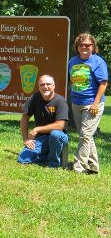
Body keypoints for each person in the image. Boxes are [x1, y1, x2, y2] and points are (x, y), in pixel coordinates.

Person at [68, 33, 108, 174]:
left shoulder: (98, 62)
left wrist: (96, 103)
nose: (84, 47)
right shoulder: (73, 61)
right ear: (77, 47)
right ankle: (93, 167)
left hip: (92, 104)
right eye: (81, 45)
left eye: (88, 45)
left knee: (84, 135)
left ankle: (79, 167)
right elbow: (71, 80)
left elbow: (103, 83)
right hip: (76, 102)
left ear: (93, 46)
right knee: (86, 135)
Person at [17, 75, 69, 168]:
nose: (45, 87)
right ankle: (48, 155)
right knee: (23, 159)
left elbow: (60, 126)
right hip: (42, 137)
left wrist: (37, 129)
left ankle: (53, 164)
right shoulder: (34, 98)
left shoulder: (60, 100)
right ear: (39, 87)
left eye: (48, 84)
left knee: (55, 134)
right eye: (42, 84)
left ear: (54, 86)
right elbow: (25, 117)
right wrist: (25, 139)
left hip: (60, 135)